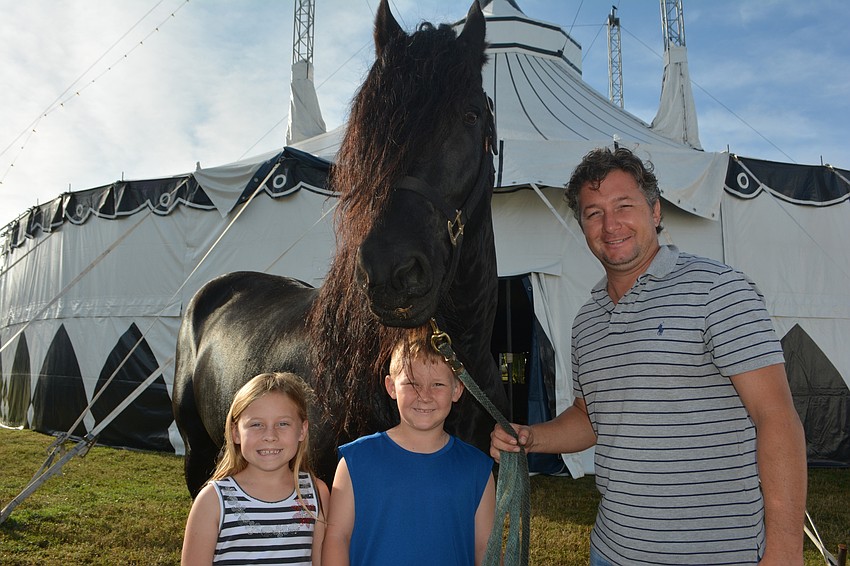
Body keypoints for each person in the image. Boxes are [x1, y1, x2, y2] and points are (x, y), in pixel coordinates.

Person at [491, 146, 807, 565]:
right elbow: (592, 416)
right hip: (613, 552)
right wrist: (532, 437)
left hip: (715, 555)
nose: (610, 225)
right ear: (582, 227)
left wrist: (785, 549)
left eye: (624, 205)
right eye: (593, 213)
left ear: (655, 211)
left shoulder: (719, 291)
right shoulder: (587, 320)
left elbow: (777, 417)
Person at [322, 327, 496, 566]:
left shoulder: (477, 468)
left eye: (438, 385)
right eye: (412, 384)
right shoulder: (356, 460)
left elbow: (485, 547)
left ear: (457, 389)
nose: (424, 395)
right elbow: (337, 537)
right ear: (391, 387)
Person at [181, 371, 330, 565]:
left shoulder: (316, 493)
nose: (270, 435)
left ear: (302, 430)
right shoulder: (213, 501)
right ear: (235, 433)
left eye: (283, 423)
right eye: (256, 424)